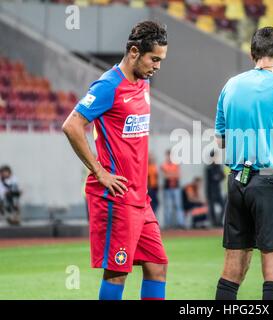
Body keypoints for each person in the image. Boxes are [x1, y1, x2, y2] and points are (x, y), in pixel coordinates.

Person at [61, 21, 168, 300]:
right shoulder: (109, 85)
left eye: (160, 60)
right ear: (134, 52)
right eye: (153, 59)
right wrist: (100, 172)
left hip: (140, 198)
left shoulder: (143, 83)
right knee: (117, 272)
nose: (157, 66)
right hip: (116, 196)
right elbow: (72, 125)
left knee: (157, 265)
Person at [214, 27, 273, 300]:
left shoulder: (230, 85)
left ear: (252, 54)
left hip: (238, 180)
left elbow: (221, 141)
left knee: (233, 267)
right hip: (271, 181)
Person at [161, 149, 184, 229]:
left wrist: (169, 174)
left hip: (176, 188)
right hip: (167, 188)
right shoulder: (164, 164)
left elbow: (178, 175)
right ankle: (168, 225)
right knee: (168, 207)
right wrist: (172, 174)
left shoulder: (176, 164)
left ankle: (181, 224)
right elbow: (165, 176)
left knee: (178, 206)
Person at [205, 149, 225, 227]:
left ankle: (219, 221)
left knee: (223, 205)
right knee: (212, 208)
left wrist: (217, 177)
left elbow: (222, 176)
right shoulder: (209, 168)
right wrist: (207, 194)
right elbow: (207, 182)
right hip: (211, 191)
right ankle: (214, 223)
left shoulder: (218, 166)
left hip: (218, 191)